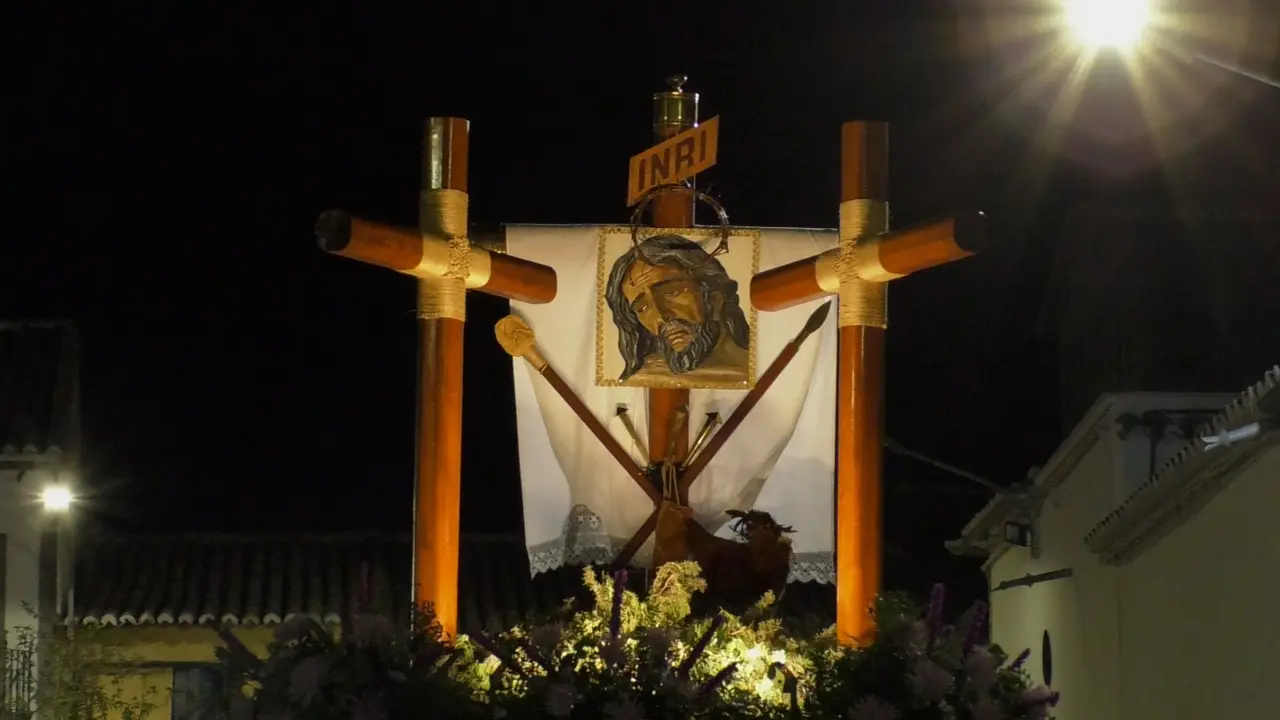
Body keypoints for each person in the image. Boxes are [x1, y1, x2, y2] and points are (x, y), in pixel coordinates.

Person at [604, 234, 750, 383]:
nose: (661, 316)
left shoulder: (753, 369)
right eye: (642, 308)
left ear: (715, 298)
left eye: (671, 292)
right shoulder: (642, 380)